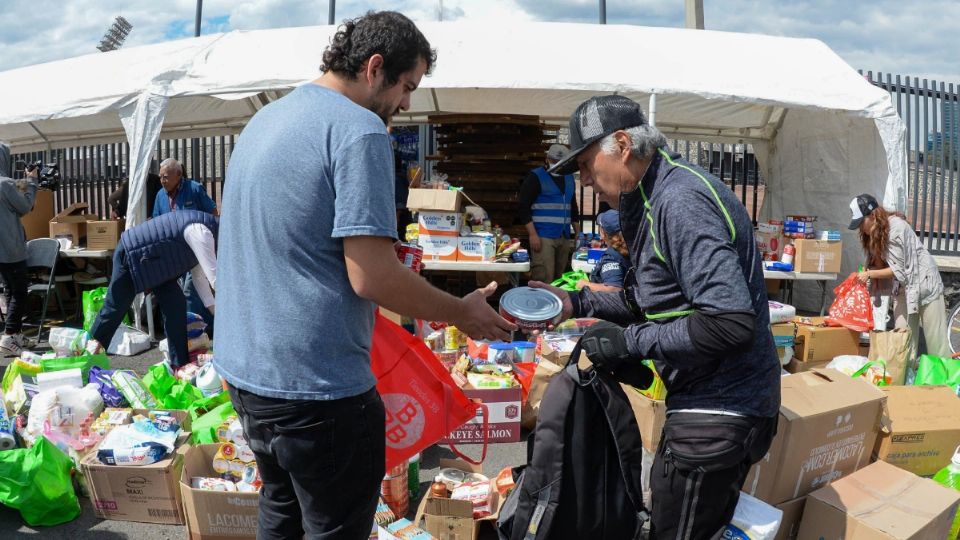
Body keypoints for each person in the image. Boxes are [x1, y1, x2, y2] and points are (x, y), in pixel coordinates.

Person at [213, 11, 515, 540]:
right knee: (334, 529)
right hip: (316, 387)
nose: (407, 103)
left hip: (248, 374)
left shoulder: (266, 119)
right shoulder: (358, 130)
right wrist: (461, 312)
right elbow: (371, 276)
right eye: (406, 86)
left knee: (281, 514)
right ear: (375, 68)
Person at [532, 95, 780, 539]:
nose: (585, 180)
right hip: (701, 399)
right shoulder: (645, 196)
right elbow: (650, 298)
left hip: (722, 406)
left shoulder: (679, 201)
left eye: (587, 164)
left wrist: (632, 343)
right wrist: (578, 304)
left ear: (622, 144)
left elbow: (730, 321)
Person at [90, 209, 217, 367]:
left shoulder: (207, 231)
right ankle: (87, 357)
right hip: (133, 254)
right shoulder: (202, 233)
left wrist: (216, 314)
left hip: (158, 264)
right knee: (114, 309)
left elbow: (200, 278)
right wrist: (227, 319)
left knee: (175, 305)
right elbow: (215, 280)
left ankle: (180, 366)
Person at [850, 194, 950, 359]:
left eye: (861, 222)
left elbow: (899, 270)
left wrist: (869, 274)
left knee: (937, 346)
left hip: (926, 285)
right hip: (904, 288)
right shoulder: (875, 234)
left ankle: (946, 384)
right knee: (902, 342)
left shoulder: (896, 227)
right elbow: (885, 266)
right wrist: (868, 270)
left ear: (872, 215)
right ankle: (906, 381)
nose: (861, 228)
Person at [152, 158, 218, 336]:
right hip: (175, 253)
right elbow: (157, 221)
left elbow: (213, 213)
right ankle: (200, 326)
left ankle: (197, 329)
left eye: (166, 177)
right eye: (160, 177)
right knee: (183, 289)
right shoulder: (160, 196)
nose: (162, 181)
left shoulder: (194, 189)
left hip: (197, 249)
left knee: (193, 288)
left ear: (178, 175)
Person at [519, 143, 581, 283]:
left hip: (563, 235)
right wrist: (533, 234)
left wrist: (577, 231)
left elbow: (573, 206)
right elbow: (523, 206)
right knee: (544, 277)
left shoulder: (569, 178)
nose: (556, 164)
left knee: (559, 279)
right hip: (543, 236)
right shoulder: (535, 177)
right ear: (547, 158)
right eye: (554, 161)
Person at [0, 143, 38, 356]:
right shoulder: (5, 184)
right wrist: (31, 181)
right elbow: (25, 206)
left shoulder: (7, 184)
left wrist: (22, 183)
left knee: (9, 290)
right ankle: (10, 334)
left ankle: (16, 335)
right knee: (20, 293)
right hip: (10, 249)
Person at [577, 209, 630, 293]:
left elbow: (613, 288)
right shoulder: (631, 248)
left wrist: (585, 284)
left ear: (603, 233)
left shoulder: (611, 257)